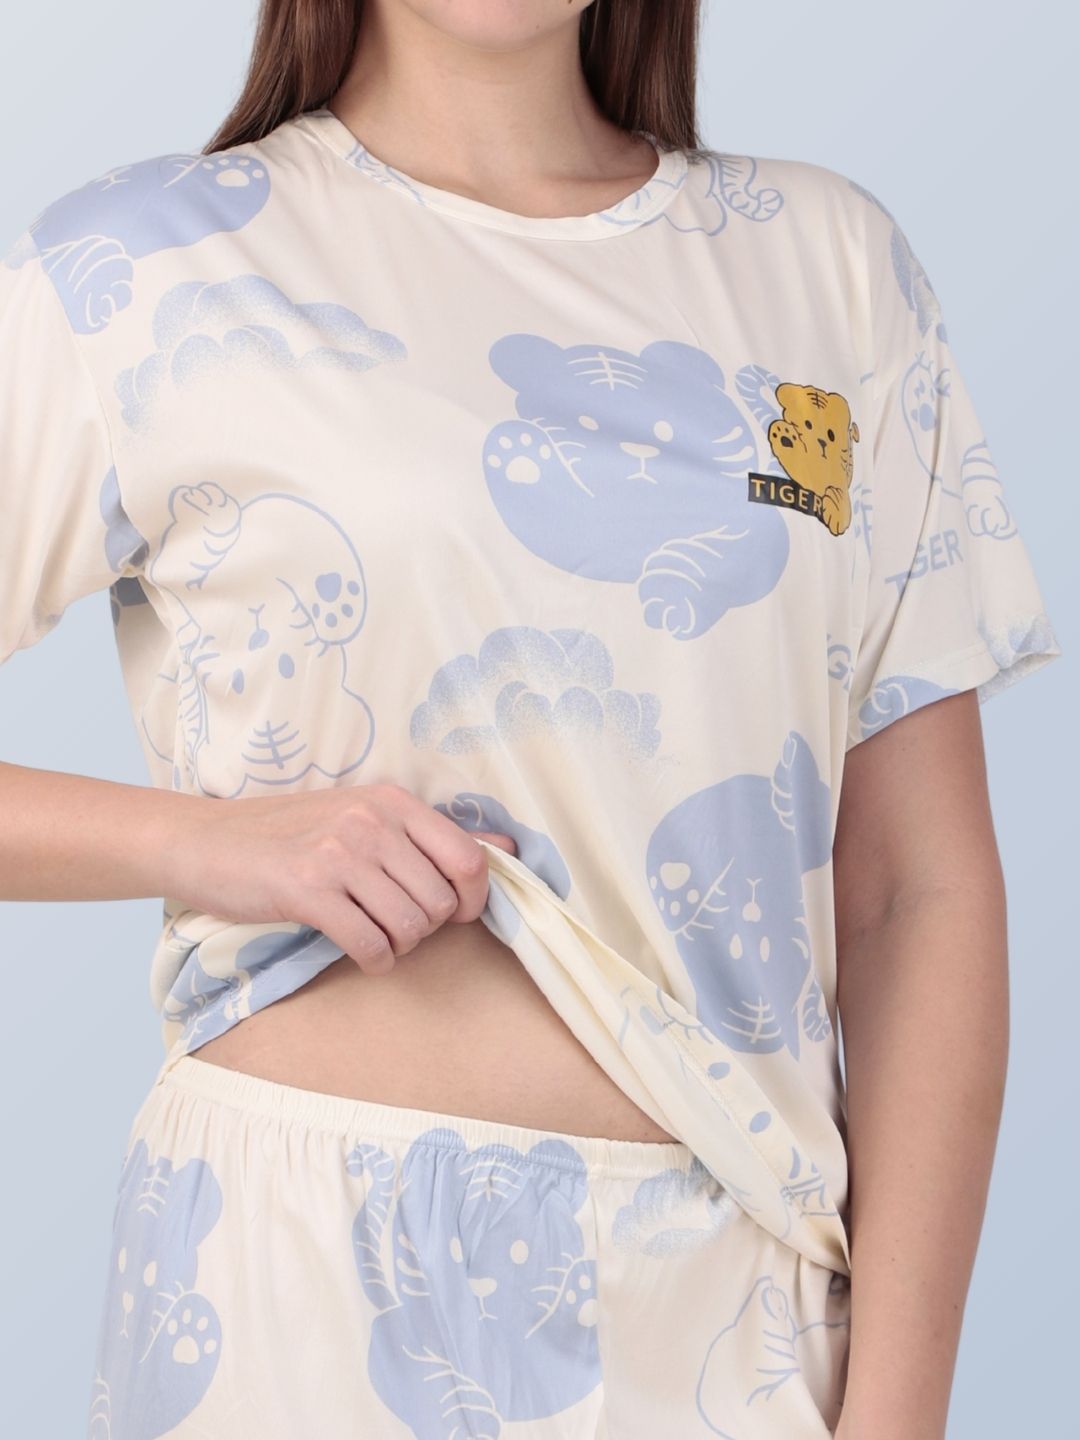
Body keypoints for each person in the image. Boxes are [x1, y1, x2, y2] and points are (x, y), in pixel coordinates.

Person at [0, 1, 1062, 1436]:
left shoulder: (828, 270)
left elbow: (917, 893)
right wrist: (202, 844)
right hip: (306, 1290)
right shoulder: (141, 267)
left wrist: (899, 1413)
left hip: (742, 1307)